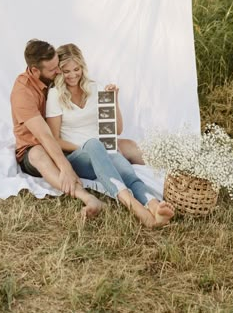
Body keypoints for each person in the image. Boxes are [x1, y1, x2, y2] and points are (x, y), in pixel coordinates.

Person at [45, 43, 175, 228]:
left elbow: (116, 131)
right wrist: (89, 147)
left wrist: (114, 100)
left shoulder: (94, 88)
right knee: (95, 145)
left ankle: (155, 208)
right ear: (59, 71)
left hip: (104, 149)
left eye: (77, 69)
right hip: (79, 157)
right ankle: (134, 207)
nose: (73, 75)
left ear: (82, 67)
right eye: (66, 71)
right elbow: (54, 140)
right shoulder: (55, 94)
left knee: (128, 174)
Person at [10, 39, 104, 218]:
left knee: (123, 145)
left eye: (57, 65)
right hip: (34, 147)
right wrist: (65, 167)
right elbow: (45, 136)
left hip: (61, 143)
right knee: (39, 153)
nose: (59, 71)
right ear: (35, 70)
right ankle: (88, 198)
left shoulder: (53, 81)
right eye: (54, 69)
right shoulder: (23, 93)